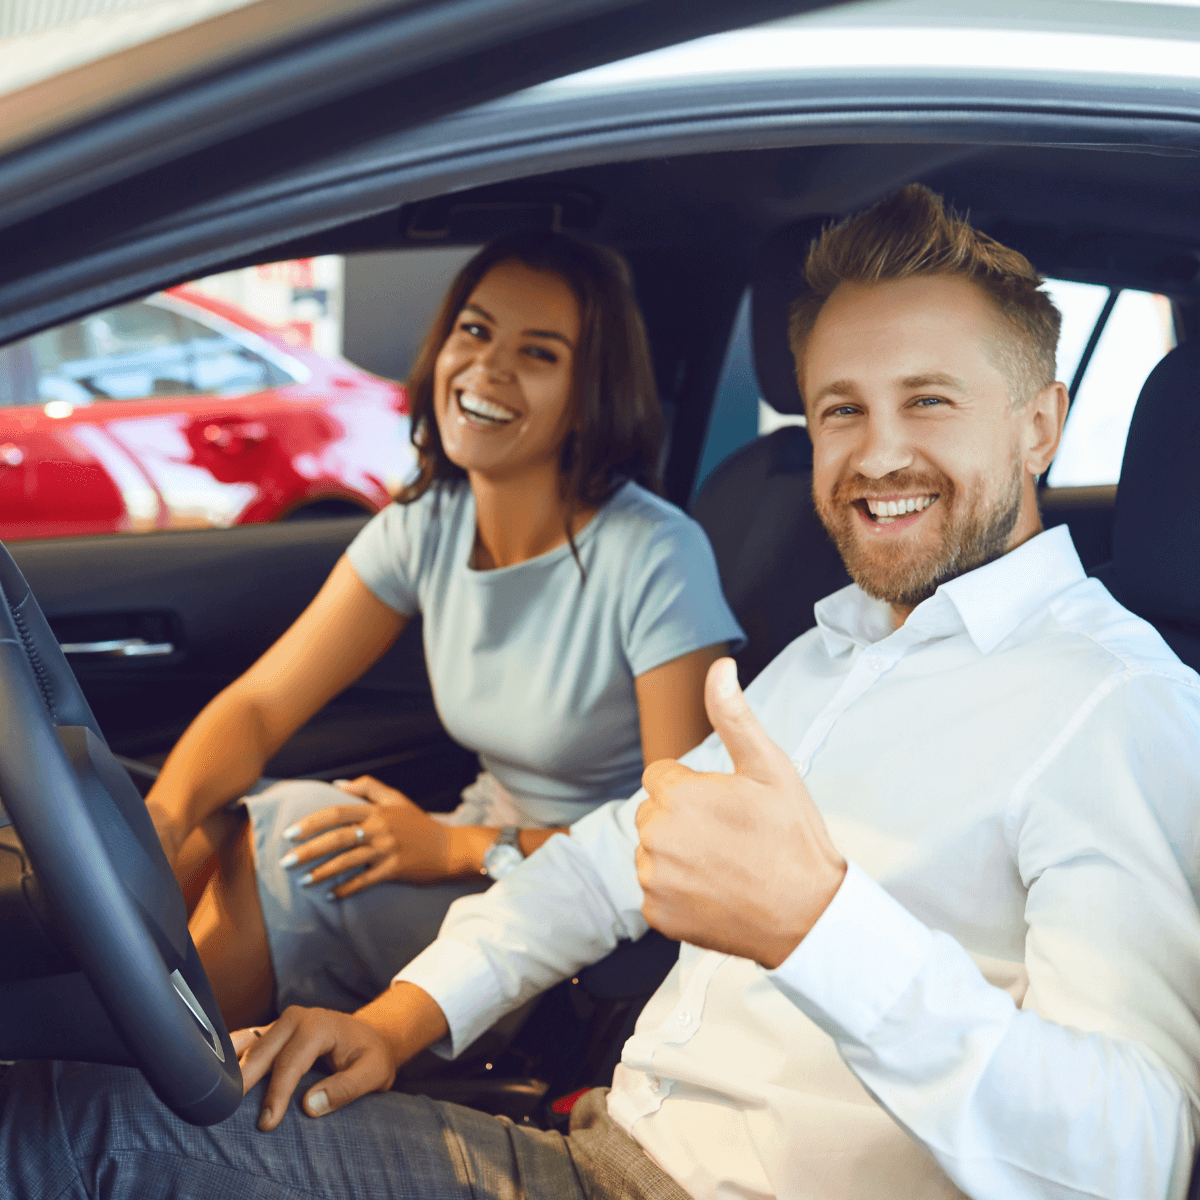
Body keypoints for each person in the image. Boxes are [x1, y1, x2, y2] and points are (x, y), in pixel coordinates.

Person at [5, 185, 1200, 1200]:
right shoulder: (833, 653)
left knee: (75, 1147)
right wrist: (395, 1022)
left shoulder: (1116, 707)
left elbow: (1135, 1158)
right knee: (60, 1122)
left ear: (1040, 425)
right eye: (841, 408)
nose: (877, 452)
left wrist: (821, 926)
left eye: (928, 400)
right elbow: (602, 863)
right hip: (595, 1154)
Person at [143, 231, 745, 1029]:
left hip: (575, 914)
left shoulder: (656, 553)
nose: (488, 367)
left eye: (538, 353)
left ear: (588, 396)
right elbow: (259, 707)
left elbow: (678, 840)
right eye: (476, 330)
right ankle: (103, 1050)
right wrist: (160, 823)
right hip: (475, 846)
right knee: (227, 819)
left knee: (285, 853)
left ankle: (145, 1076)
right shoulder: (429, 522)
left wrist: (459, 848)